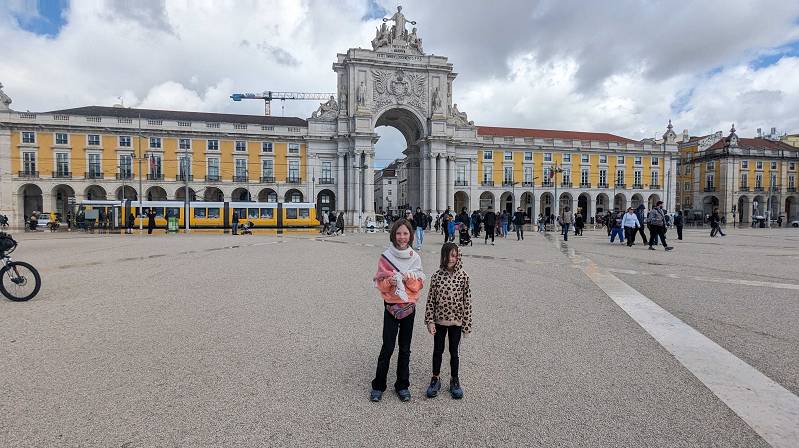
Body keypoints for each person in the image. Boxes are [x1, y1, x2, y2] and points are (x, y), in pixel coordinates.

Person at [370, 219, 425, 402]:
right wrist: (390, 281)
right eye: (399, 233)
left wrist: (408, 280)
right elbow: (380, 285)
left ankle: (402, 385)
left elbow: (418, 286)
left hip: (409, 306)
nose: (402, 237)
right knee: (387, 346)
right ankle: (378, 385)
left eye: (405, 233)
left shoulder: (415, 257)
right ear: (393, 235)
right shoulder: (385, 257)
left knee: (405, 348)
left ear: (411, 235)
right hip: (391, 306)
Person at [424, 242, 472, 400]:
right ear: (442, 257)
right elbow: (430, 300)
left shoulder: (464, 277)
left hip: (456, 322)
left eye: (454, 255)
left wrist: (467, 325)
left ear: (458, 256)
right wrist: (430, 321)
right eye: (447, 255)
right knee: (438, 350)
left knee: (454, 352)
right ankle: (435, 378)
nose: (451, 259)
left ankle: (455, 379)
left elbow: (467, 302)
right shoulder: (437, 276)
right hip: (440, 321)